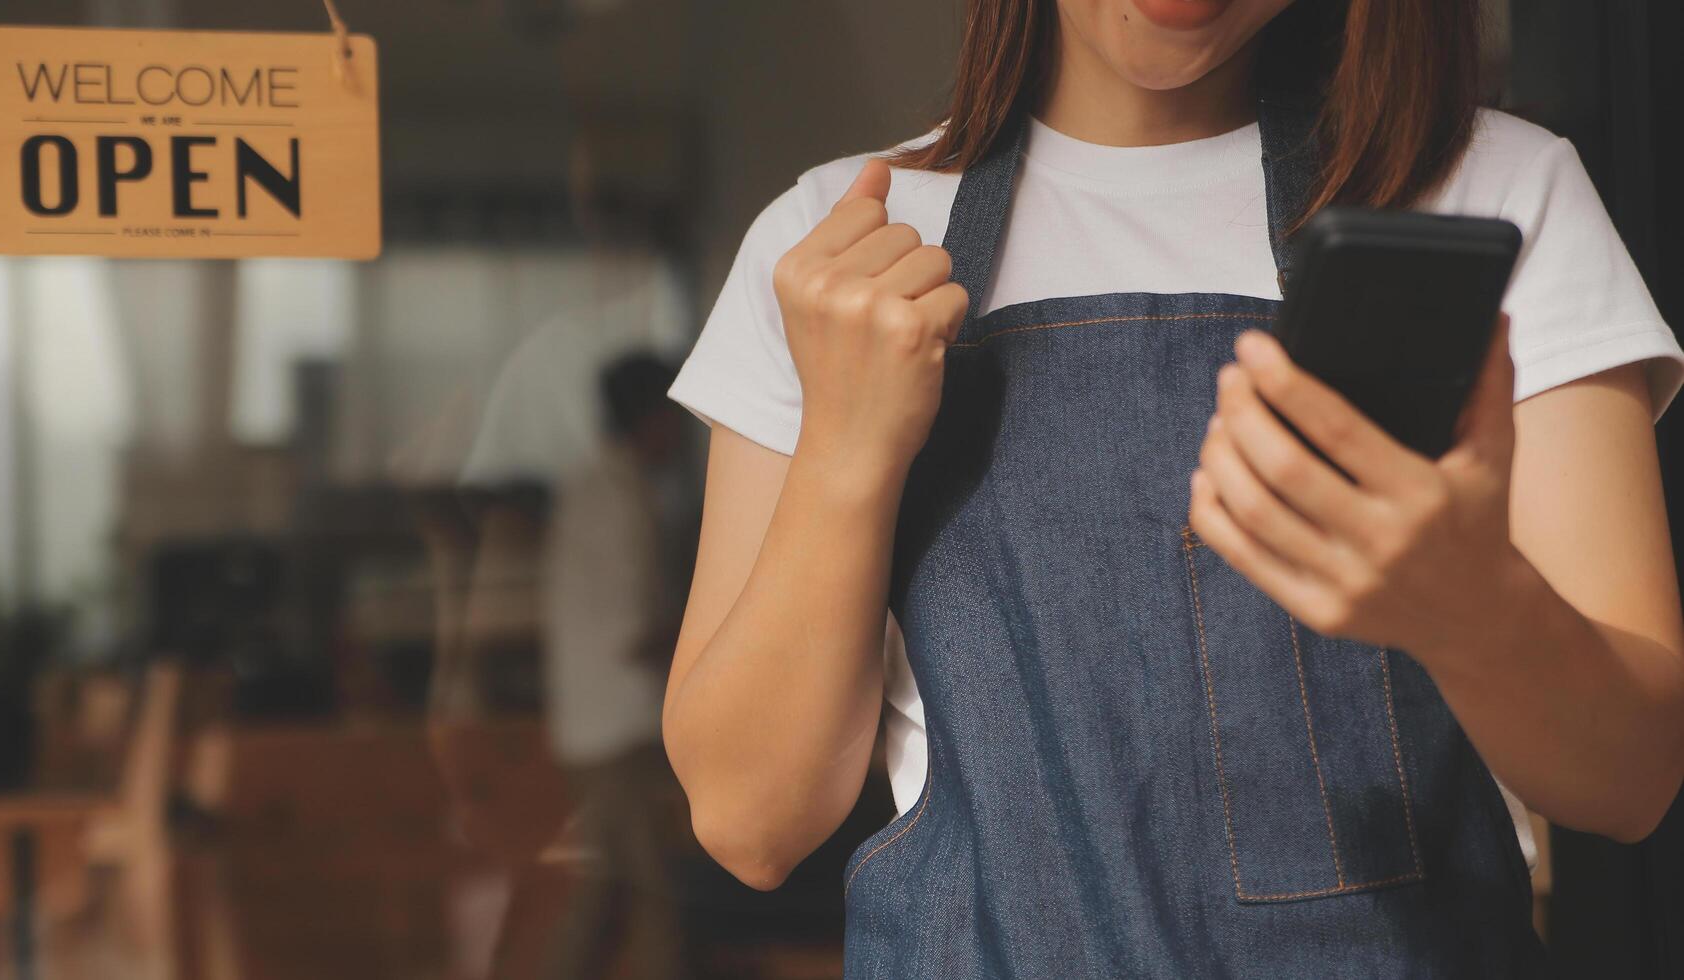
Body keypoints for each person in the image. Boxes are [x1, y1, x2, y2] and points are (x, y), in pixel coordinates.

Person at [660, 0, 1684, 975]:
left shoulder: (1499, 191)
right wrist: (845, 446)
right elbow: (751, 820)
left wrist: (1469, 601)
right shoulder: (830, 250)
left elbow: (1631, 776)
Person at [541, 352, 693, 979]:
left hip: (604, 728)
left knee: (611, 897)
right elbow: (634, 633)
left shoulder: (605, 485)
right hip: (618, 733)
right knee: (657, 897)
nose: (684, 432)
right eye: (676, 415)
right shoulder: (613, 497)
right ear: (650, 418)